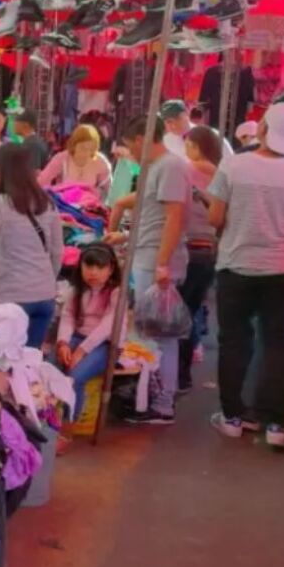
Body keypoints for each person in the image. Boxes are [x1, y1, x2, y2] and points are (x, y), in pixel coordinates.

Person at [207, 101, 284, 449]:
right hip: (282, 270)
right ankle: (276, 424)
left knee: (234, 341)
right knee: (277, 345)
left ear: (262, 128)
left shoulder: (232, 166)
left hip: (236, 267)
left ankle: (233, 417)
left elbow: (216, 219)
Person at [105, 114, 191, 425]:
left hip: (156, 262)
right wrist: (126, 236)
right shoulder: (159, 168)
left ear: (141, 139)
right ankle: (152, 397)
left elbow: (174, 217)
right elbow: (155, 218)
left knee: (158, 334)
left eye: (130, 146)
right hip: (149, 256)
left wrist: (163, 263)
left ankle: (162, 402)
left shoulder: (169, 167)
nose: (131, 152)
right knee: (149, 333)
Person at [0, 143, 64, 348]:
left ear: (0, 168)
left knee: (3, 365)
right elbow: (57, 252)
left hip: (10, 296)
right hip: (45, 296)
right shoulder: (47, 203)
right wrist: (44, 280)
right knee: (30, 364)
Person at [177, 125, 223, 392]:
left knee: (178, 314)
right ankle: (184, 373)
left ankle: (178, 374)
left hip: (186, 246)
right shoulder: (221, 174)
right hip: (209, 250)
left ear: (196, 146)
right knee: (191, 311)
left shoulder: (186, 170)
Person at [56, 243, 124, 420]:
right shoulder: (76, 290)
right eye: (89, 266)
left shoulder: (117, 293)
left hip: (105, 345)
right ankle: (49, 419)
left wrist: (81, 351)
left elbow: (107, 327)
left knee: (75, 377)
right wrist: (63, 343)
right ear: (81, 267)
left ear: (110, 269)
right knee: (50, 366)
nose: (93, 272)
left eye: (100, 267)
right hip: (77, 338)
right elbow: (68, 316)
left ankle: (68, 426)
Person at [38, 124, 113, 196]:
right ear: (74, 145)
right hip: (65, 205)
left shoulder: (101, 162)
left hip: (90, 205)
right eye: (82, 148)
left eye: (91, 149)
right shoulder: (61, 159)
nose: (86, 153)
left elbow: (110, 190)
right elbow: (42, 182)